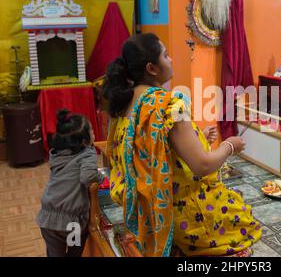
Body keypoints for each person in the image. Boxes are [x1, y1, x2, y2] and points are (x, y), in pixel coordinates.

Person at [102, 33, 262, 257]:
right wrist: (229, 146)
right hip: (183, 218)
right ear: (152, 68)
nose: (172, 60)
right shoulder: (168, 105)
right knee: (245, 218)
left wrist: (199, 136)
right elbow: (202, 165)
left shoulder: (123, 105)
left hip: (146, 214)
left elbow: (153, 151)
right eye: (166, 55)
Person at [36, 109, 99, 257]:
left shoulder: (57, 154)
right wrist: (101, 178)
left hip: (48, 219)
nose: (94, 134)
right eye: (91, 131)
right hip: (72, 223)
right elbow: (88, 177)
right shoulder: (87, 153)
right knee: (74, 253)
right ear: (84, 141)